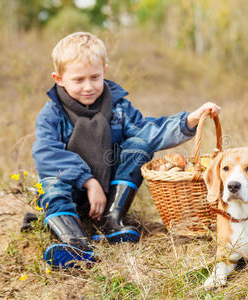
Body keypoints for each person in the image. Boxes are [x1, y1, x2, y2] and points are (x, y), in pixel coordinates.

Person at [32, 32, 220, 268]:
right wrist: (88, 181)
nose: (88, 87)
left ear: (105, 72)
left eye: (95, 77)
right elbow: (47, 153)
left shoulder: (118, 107)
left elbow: (146, 131)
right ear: (58, 79)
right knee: (52, 180)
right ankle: (75, 242)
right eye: (78, 80)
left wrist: (190, 120)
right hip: (72, 188)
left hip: (108, 189)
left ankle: (112, 219)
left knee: (139, 145)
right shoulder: (52, 114)